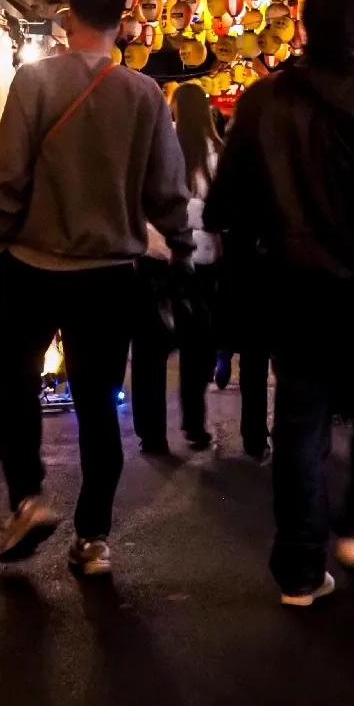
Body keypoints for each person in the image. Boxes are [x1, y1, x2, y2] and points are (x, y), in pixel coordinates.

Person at [205, 0, 354, 608]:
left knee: (301, 424)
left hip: (294, 291)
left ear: (303, 26)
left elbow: (224, 203)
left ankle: (300, 571)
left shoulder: (260, 103)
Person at [0, 0, 193, 577]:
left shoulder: (36, 80)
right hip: (109, 274)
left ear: (68, 19)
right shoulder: (145, 93)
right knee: (99, 402)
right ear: (123, 27)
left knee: (13, 378)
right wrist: (177, 245)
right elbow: (167, 188)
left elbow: (9, 171)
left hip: (31, 264)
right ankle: (93, 537)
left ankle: (28, 497)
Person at [129, 83, 220, 456]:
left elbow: (137, 202)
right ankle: (194, 424)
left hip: (156, 259)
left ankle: (152, 434)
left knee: (149, 353)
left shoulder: (154, 150)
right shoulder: (217, 154)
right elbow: (223, 209)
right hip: (202, 263)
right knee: (198, 349)